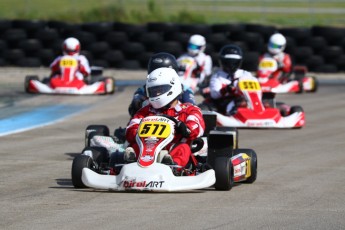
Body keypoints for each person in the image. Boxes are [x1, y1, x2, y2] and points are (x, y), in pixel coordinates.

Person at [125, 67, 205, 168]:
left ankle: (173, 166)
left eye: (160, 90)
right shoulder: (145, 111)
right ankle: (132, 163)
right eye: (153, 91)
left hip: (174, 147)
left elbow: (196, 126)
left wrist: (184, 128)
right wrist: (137, 131)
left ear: (173, 87)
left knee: (183, 148)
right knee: (134, 146)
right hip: (148, 148)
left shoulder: (189, 109)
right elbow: (131, 127)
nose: (157, 94)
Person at [128, 52, 195, 117]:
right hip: (149, 122)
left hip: (175, 123)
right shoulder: (143, 90)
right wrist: (138, 103)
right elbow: (133, 110)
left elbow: (192, 109)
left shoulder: (185, 89)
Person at [207, 44, 256, 115]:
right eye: (229, 62)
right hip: (225, 101)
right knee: (237, 103)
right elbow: (214, 94)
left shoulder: (245, 74)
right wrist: (226, 89)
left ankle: (257, 112)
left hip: (247, 99)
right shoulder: (217, 76)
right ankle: (235, 114)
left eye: (234, 62)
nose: (231, 65)